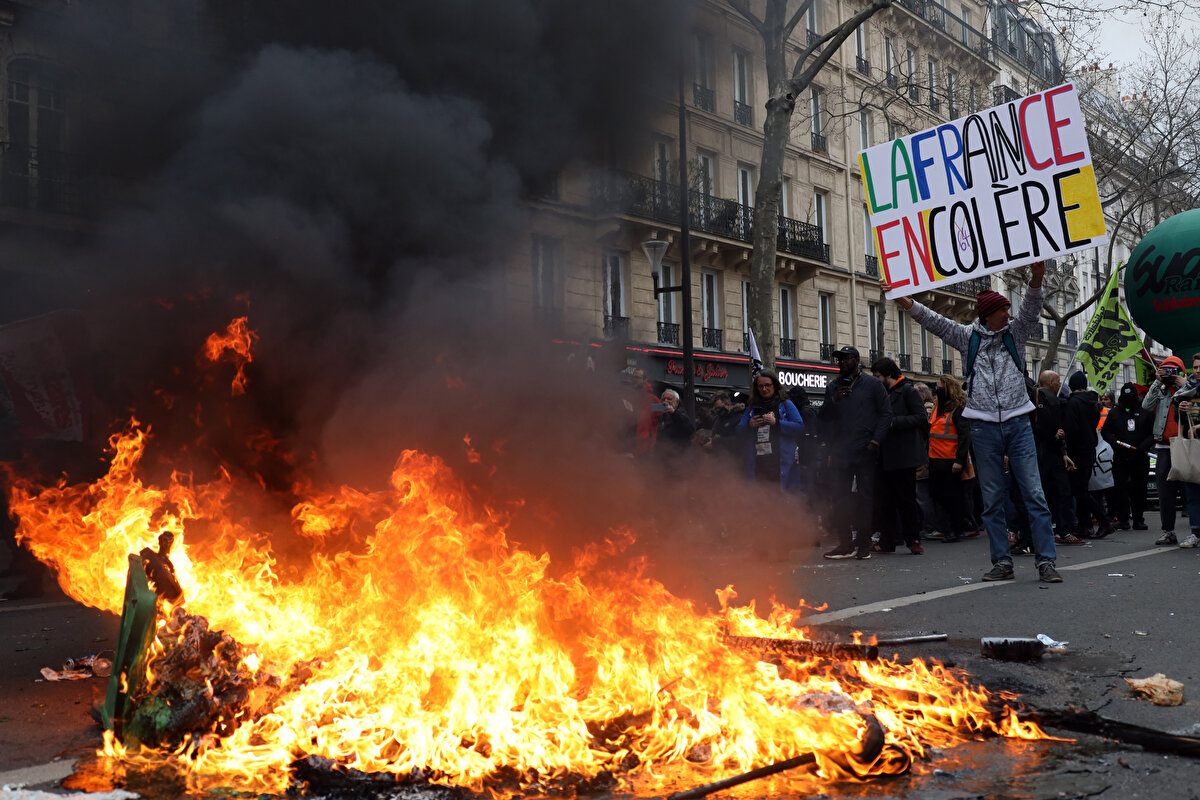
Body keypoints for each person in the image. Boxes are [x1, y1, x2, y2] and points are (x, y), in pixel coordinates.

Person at [884, 261, 1061, 583]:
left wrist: (1037, 277)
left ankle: (1046, 561)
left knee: (1034, 494)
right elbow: (933, 321)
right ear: (988, 315)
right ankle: (1002, 562)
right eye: (1004, 311)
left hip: (1019, 423)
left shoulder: (1016, 334)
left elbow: (1033, 307)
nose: (1009, 315)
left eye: (1009, 311)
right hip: (982, 428)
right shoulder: (968, 338)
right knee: (992, 500)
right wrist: (904, 300)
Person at [819, 346, 892, 560]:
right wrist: (834, 402)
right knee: (840, 497)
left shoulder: (872, 385)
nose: (841, 363)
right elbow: (822, 417)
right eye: (839, 360)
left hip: (865, 449)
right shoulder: (833, 387)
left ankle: (863, 544)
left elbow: (886, 414)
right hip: (841, 450)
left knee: (864, 498)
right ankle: (844, 543)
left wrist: (876, 440)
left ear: (857, 360)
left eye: (846, 359)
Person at [869, 357, 928, 554]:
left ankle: (913, 539)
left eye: (877, 376)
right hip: (883, 456)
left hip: (903, 456)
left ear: (888, 375)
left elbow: (920, 418)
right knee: (885, 502)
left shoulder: (908, 391)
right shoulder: (880, 394)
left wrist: (893, 422)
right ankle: (888, 541)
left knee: (906, 500)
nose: (875, 379)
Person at [1143, 355, 1197, 545]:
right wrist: (1157, 383)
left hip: (1185, 445)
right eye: (1165, 369)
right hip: (1164, 447)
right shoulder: (1162, 389)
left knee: (1190, 491)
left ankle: (1195, 533)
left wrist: (1184, 384)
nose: (1169, 374)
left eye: (1172, 370)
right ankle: (1168, 531)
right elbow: (1146, 405)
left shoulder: (1189, 387)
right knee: (1165, 493)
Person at [1062, 371, 1112, 539]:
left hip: (1077, 452)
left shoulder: (1073, 404)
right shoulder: (1092, 404)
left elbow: (1071, 429)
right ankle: (1085, 525)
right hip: (1090, 449)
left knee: (1080, 490)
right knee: (1082, 489)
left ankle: (1104, 521)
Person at [736, 369, 805, 489]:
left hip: (782, 461)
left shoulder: (786, 404)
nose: (764, 389)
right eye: (760, 386)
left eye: (767, 385)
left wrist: (777, 423)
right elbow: (739, 431)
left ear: (775, 385)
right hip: (758, 462)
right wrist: (749, 424)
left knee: (784, 497)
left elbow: (800, 427)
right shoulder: (752, 407)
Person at [1033, 370, 1080, 543]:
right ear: (1050, 382)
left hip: (1050, 453)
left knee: (1055, 492)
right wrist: (1055, 438)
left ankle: (1056, 529)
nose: (1060, 384)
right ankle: (1061, 530)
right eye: (1058, 381)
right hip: (1045, 453)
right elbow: (1041, 427)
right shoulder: (1043, 398)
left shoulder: (1047, 398)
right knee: (1057, 492)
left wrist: (1064, 452)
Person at [925, 374, 972, 543]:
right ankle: (948, 528)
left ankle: (955, 529)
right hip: (935, 458)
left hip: (950, 460)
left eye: (940, 386)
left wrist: (959, 460)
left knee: (952, 497)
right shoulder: (939, 408)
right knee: (939, 496)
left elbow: (964, 436)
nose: (937, 389)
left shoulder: (958, 409)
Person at [1102, 382, 1154, 531]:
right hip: (1121, 457)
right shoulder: (1115, 412)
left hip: (1139, 456)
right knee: (1120, 488)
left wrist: (1143, 447)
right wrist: (1115, 443)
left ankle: (1139, 519)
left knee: (1139, 489)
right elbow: (1106, 432)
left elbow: (1153, 433)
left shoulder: (1145, 411)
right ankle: (1123, 519)